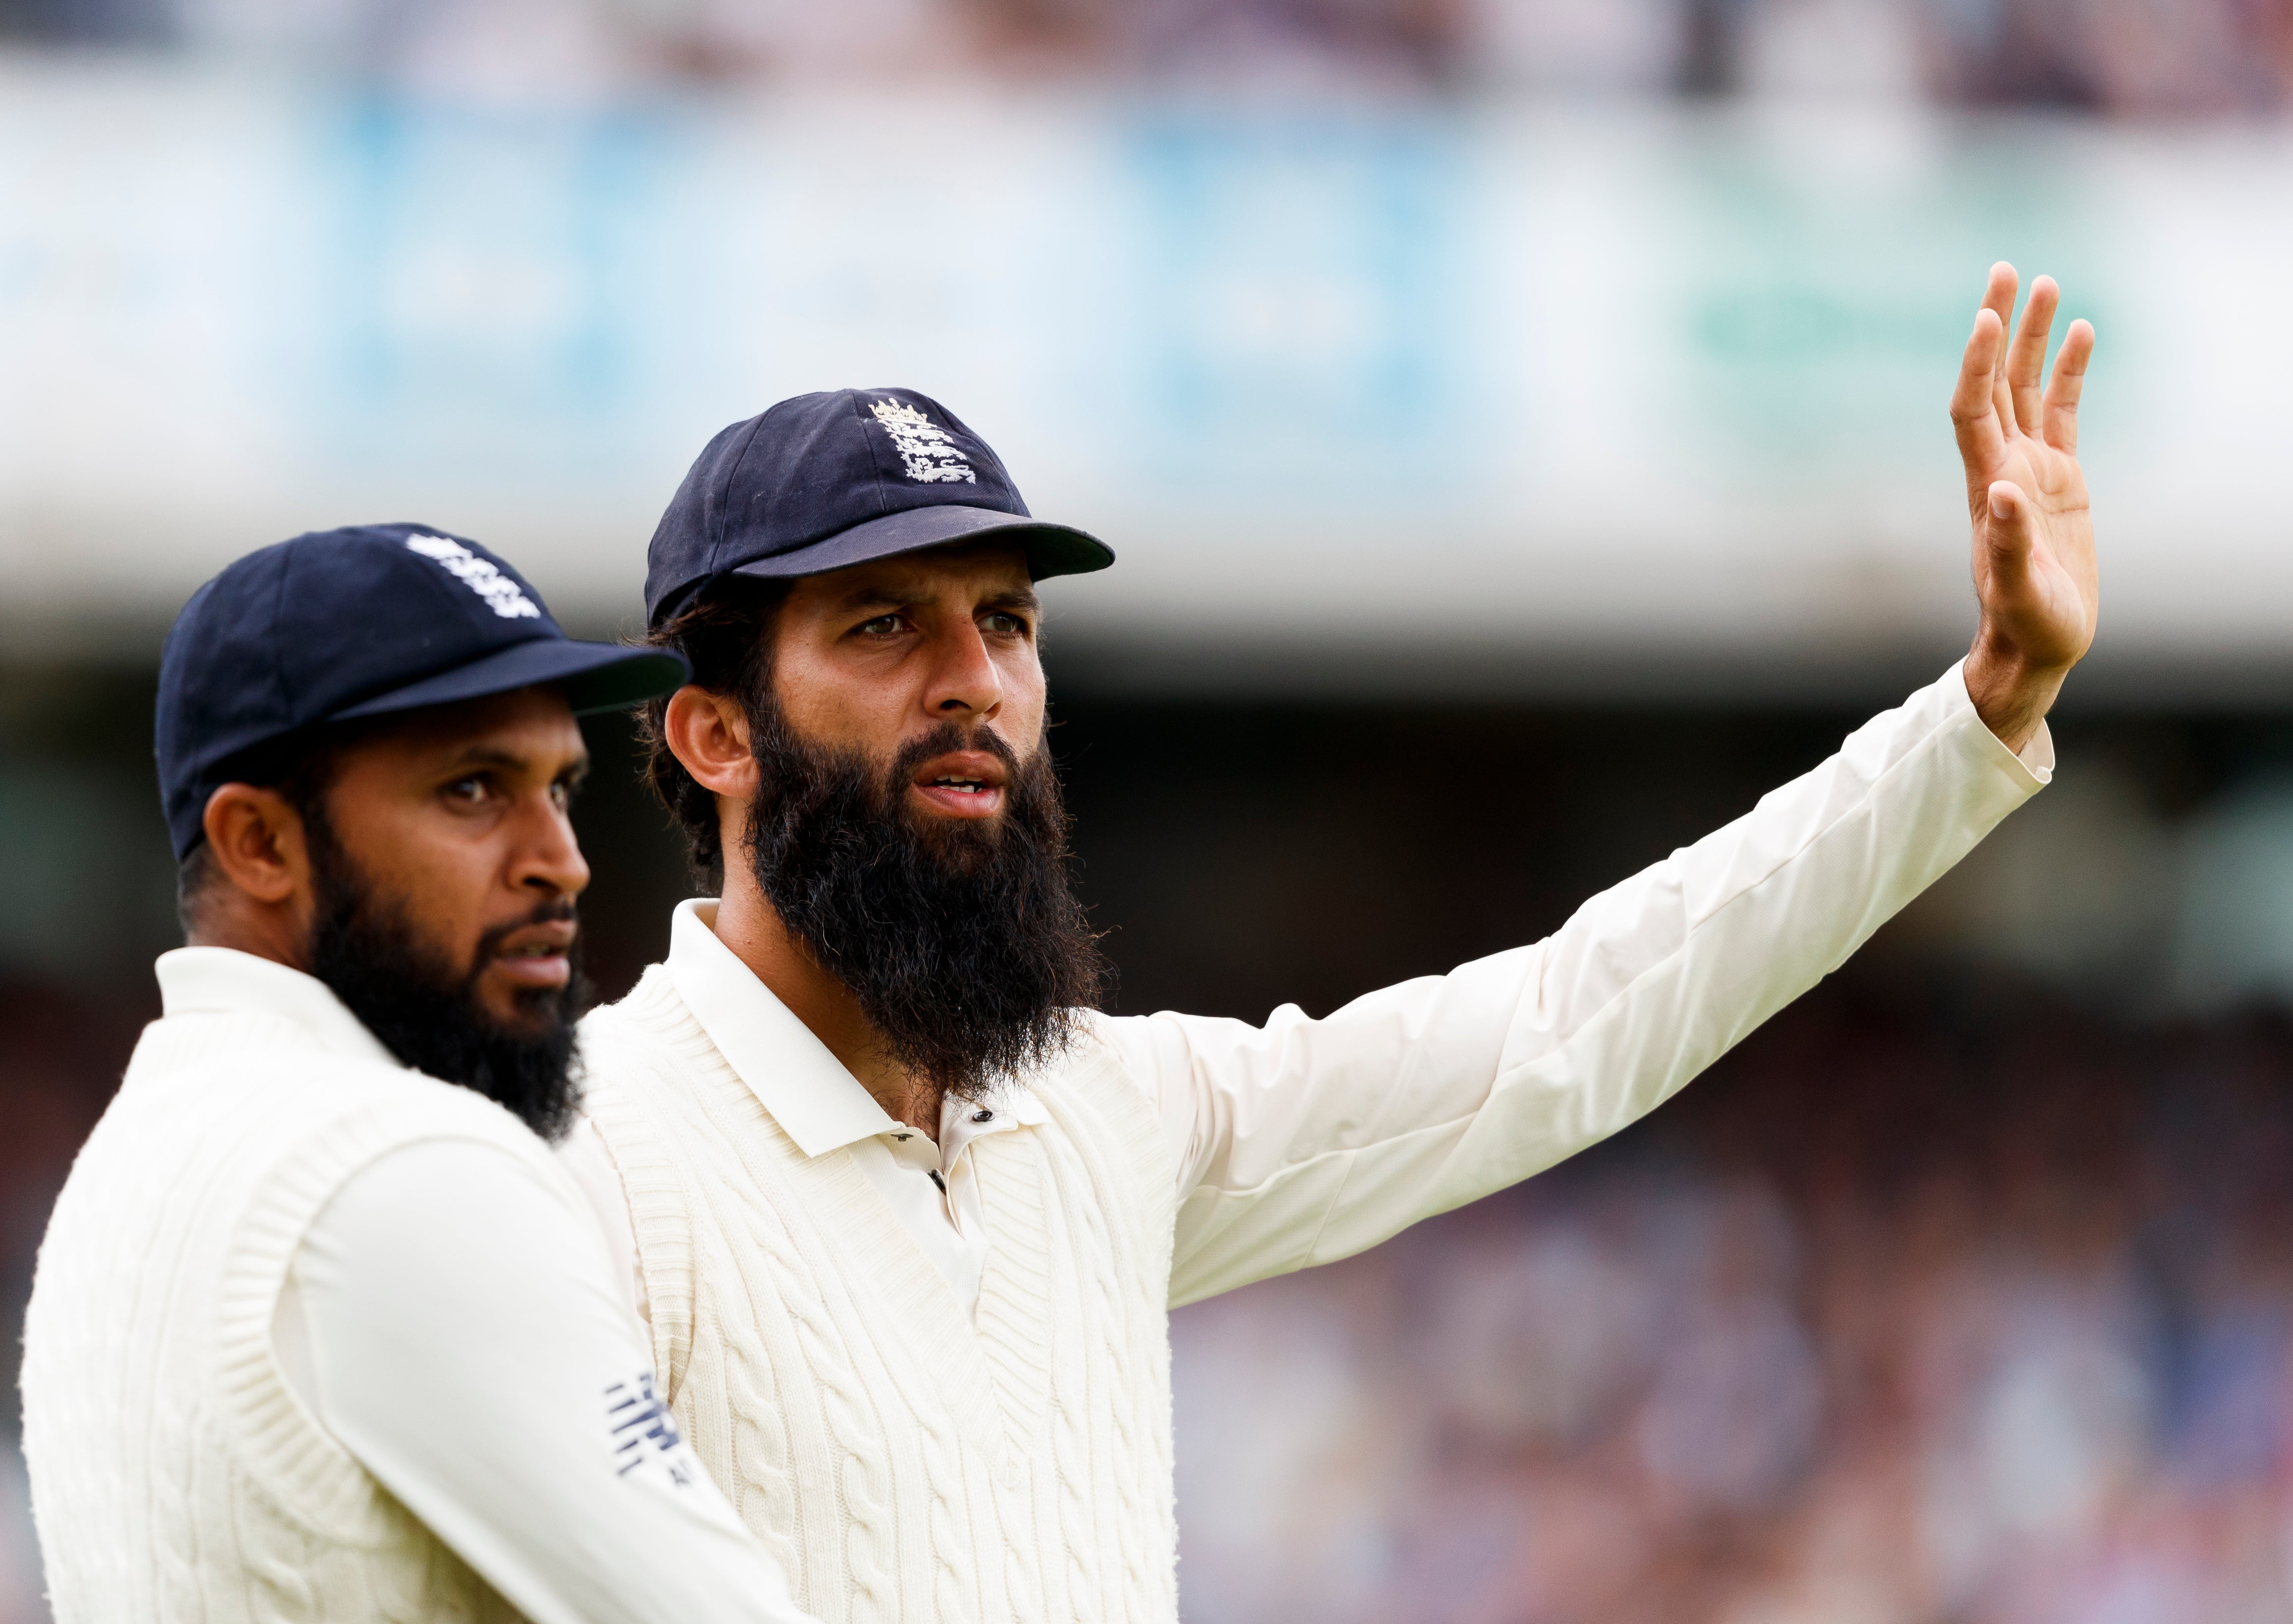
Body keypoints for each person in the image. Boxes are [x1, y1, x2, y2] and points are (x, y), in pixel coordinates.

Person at [558, 263, 2095, 1622]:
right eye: (885, 623)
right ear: (710, 733)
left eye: (1007, 620)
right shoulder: (586, 1152)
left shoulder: (1102, 1114)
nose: (976, 677)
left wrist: (1982, 712)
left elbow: (1573, 1020)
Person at [20, 524, 825, 1624]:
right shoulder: (402, 1164)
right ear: (259, 842)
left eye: (559, 787)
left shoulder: (123, 1166)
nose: (561, 857)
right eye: (473, 789)